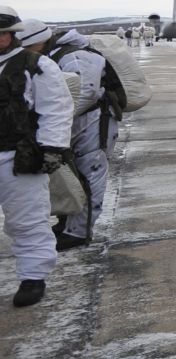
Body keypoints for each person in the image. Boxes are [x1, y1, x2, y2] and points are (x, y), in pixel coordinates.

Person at [0, 11, 69, 308]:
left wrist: (52, 148)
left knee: (27, 220)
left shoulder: (36, 65)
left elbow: (55, 107)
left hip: (18, 155)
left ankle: (33, 277)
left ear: (12, 35)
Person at [45, 27, 113, 248]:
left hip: (92, 125)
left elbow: (86, 93)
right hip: (77, 125)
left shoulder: (77, 57)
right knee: (70, 176)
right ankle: (67, 222)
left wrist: (56, 118)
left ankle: (79, 232)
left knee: (89, 176)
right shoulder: (58, 54)